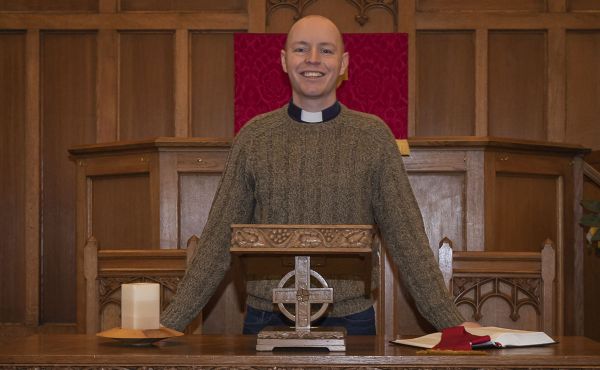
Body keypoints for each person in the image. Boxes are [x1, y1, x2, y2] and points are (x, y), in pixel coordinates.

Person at [161, 15, 476, 335]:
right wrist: (169, 325)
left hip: (351, 321)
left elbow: (408, 240)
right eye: (301, 49)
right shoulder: (254, 137)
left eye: (326, 51)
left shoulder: (373, 137)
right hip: (267, 319)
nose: (313, 60)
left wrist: (453, 326)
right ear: (285, 61)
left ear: (343, 63)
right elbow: (217, 241)